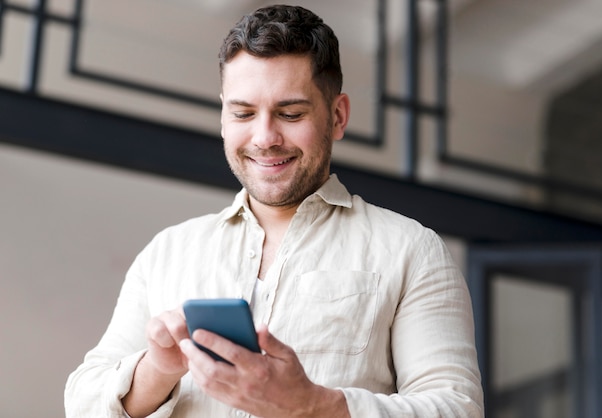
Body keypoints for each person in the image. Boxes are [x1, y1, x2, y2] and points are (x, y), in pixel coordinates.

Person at [65, 4, 483, 417]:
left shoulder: (412, 250)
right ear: (224, 118)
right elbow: (82, 404)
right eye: (243, 113)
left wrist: (311, 405)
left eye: (290, 113)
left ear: (337, 116)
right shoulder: (166, 252)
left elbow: (456, 409)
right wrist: (157, 370)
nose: (265, 137)